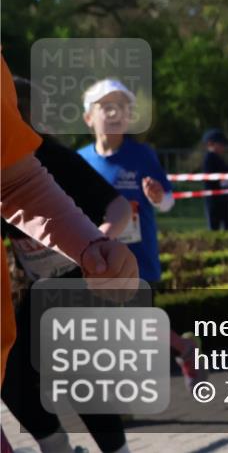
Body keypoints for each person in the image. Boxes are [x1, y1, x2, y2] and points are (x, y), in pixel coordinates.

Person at [0, 54, 138, 453]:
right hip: (38, 288)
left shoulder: (57, 158)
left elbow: (115, 207)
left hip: (77, 282)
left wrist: (95, 246)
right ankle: (55, 444)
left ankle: (116, 449)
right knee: (14, 375)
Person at [77, 78, 206, 390]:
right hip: (98, 254)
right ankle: (184, 348)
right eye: (106, 107)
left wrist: (158, 196)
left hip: (137, 252)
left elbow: (168, 203)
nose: (114, 113)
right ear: (88, 117)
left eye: (121, 107)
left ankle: (176, 354)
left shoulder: (142, 155)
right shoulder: (80, 160)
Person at [201, 128, 228, 231]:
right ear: (211, 144)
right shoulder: (209, 159)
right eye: (221, 144)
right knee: (214, 224)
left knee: (227, 223)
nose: (223, 147)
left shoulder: (219, 159)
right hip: (214, 198)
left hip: (223, 196)